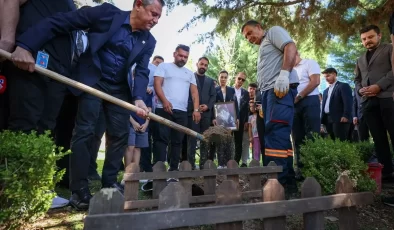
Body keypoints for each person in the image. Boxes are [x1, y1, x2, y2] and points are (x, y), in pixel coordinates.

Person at [10, 1, 164, 210]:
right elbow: (62, 21)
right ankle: (79, 190)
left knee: (119, 135)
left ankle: (109, 183)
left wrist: (138, 97)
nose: (155, 21)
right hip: (93, 81)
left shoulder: (148, 40)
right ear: (138, 5)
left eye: (158, 17)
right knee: (86, 131)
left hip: (119, 89)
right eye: (153, 14)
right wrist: (26, 44)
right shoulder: (107, 13)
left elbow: (143, 70)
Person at [241, 20, 298, 185]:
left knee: (275, 131)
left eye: (251, 33)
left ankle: (278, 182)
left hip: (278, 90)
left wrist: (284, 74)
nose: (249, 38)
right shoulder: (263, 47)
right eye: (246, 37)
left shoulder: (273, 31)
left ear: (259, 27)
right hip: (268, 95)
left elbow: (291, 47)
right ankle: (286, 180)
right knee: (275, 134)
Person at [355, 24, 394, 182]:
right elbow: (357, 79)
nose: (367, 41)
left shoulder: (390, 49)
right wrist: (359, 90)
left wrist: (379, 86)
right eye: (364, 39)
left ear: (379, 35)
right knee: (378, 139)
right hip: (368, 103)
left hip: (387, 98)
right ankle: (387, 173)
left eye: (370, 37)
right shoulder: (359, 59)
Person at [153, 44, 201, 172]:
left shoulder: (189, 73)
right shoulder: (164, 66)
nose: (183, 59)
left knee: (177, 141)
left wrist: (196, 110)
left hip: (182, 112)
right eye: (180, 55)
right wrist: (164, 101)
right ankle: (158, 169)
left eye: (186, 57)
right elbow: (157, 83)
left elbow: (195, 93)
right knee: (160, 140)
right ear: (174, 54)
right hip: (163, 108)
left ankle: (173, 169)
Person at [291, 52, 321, 171]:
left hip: (309, 100)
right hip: (294, 104)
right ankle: (300, 168)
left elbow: (315, 81)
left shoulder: (309, 63)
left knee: (312, 135)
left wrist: (300, 96)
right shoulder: (288, 70)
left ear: (296, 52)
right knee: (297, 137)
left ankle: (313, 169)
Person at [187, 57, 216, 170]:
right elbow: (188, 94)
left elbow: (213, 96)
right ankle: (191, 164)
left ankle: (204, 164)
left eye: (205, 65)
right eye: (201, 64)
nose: (203, 66)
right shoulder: (190, 78)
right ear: (197, 64)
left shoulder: (210, 81)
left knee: (205, 139)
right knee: (192, 139)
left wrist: (207, 106)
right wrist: (195, 107)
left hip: (206, 115)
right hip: (193, 113)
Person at [321, 68, 353, 141]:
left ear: (334, 74)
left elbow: (348, 102)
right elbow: (324, 105)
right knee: (331, 142)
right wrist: (322, 121)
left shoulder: (343, 86)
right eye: (325, 77)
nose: (326, 78)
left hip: (340, 119)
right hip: (327, 119)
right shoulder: (325, 91)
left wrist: (346, 115)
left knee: (341, 141)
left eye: (328, 76)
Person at [233, 72, 250, 167]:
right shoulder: (229, 90)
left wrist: (246, 121)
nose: (240, 81)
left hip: (241, 121)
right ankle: (225, 162)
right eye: (239, 78)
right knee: (227, 140)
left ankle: (236, 162)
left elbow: (247, 108)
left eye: (243, 80)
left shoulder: (246, 93)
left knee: (238, 142)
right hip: (229, 120)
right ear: (236, 78)